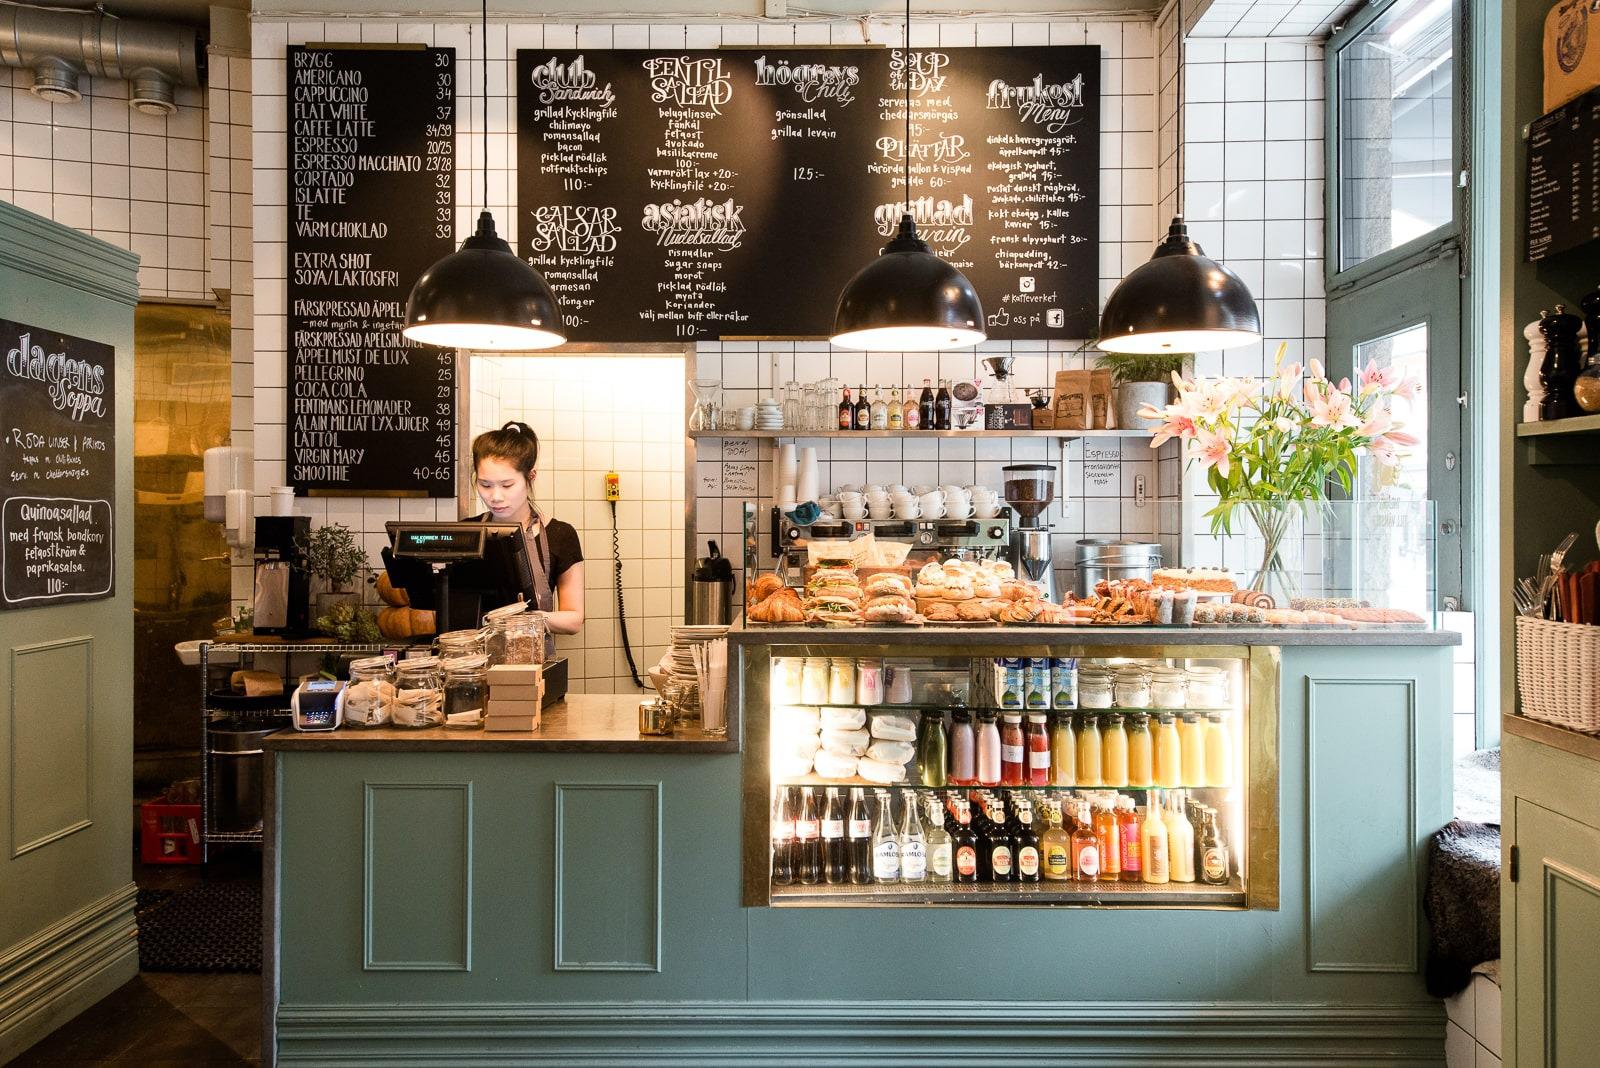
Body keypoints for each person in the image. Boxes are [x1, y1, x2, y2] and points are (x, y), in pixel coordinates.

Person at [470, 421, 584, 637]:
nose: (495, 496)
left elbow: (574, 620)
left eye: (507, 485)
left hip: (532, 663)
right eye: (485, 485)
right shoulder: (468, 533)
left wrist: (520, 619)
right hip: (470, 666)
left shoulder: (560, 535)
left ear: (531, 477)